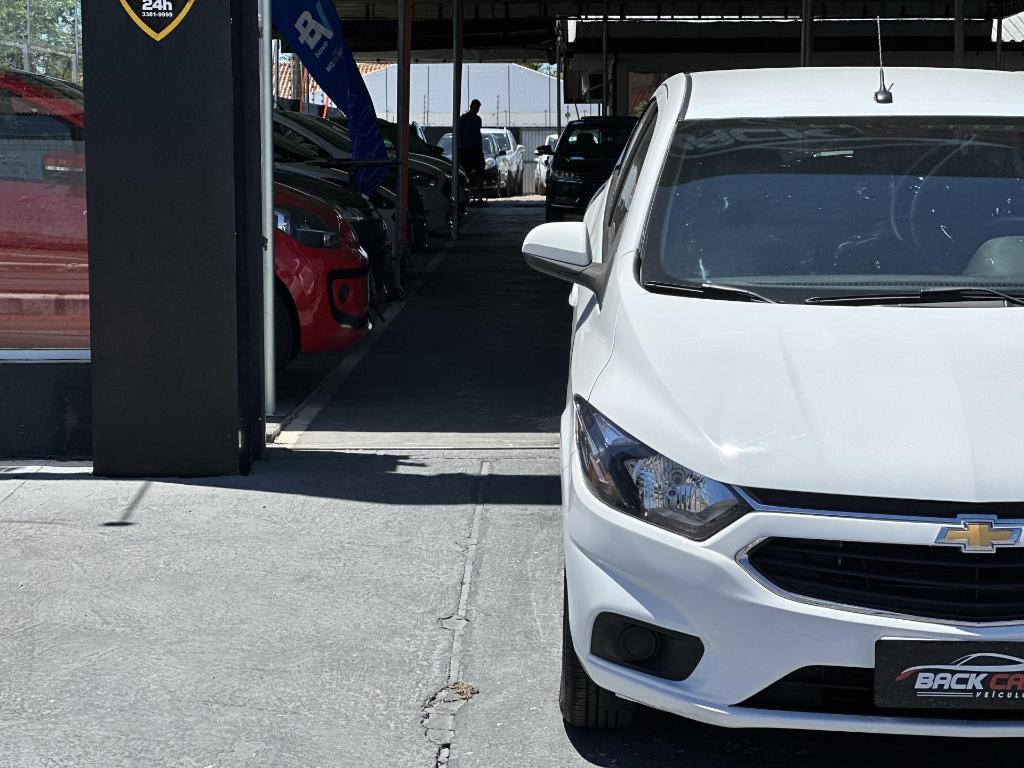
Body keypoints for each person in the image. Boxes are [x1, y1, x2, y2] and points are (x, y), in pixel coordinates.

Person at [458, 99, 485, 204]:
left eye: (477, 108)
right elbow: (460, 134)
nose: (476, 110)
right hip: (467, 150)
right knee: (467, 174)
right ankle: (468, 196)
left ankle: (478, 196)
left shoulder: (476, 119)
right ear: (471, 107)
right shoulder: (464, 119)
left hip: (475, 150)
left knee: (479, 173)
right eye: (475, 108)